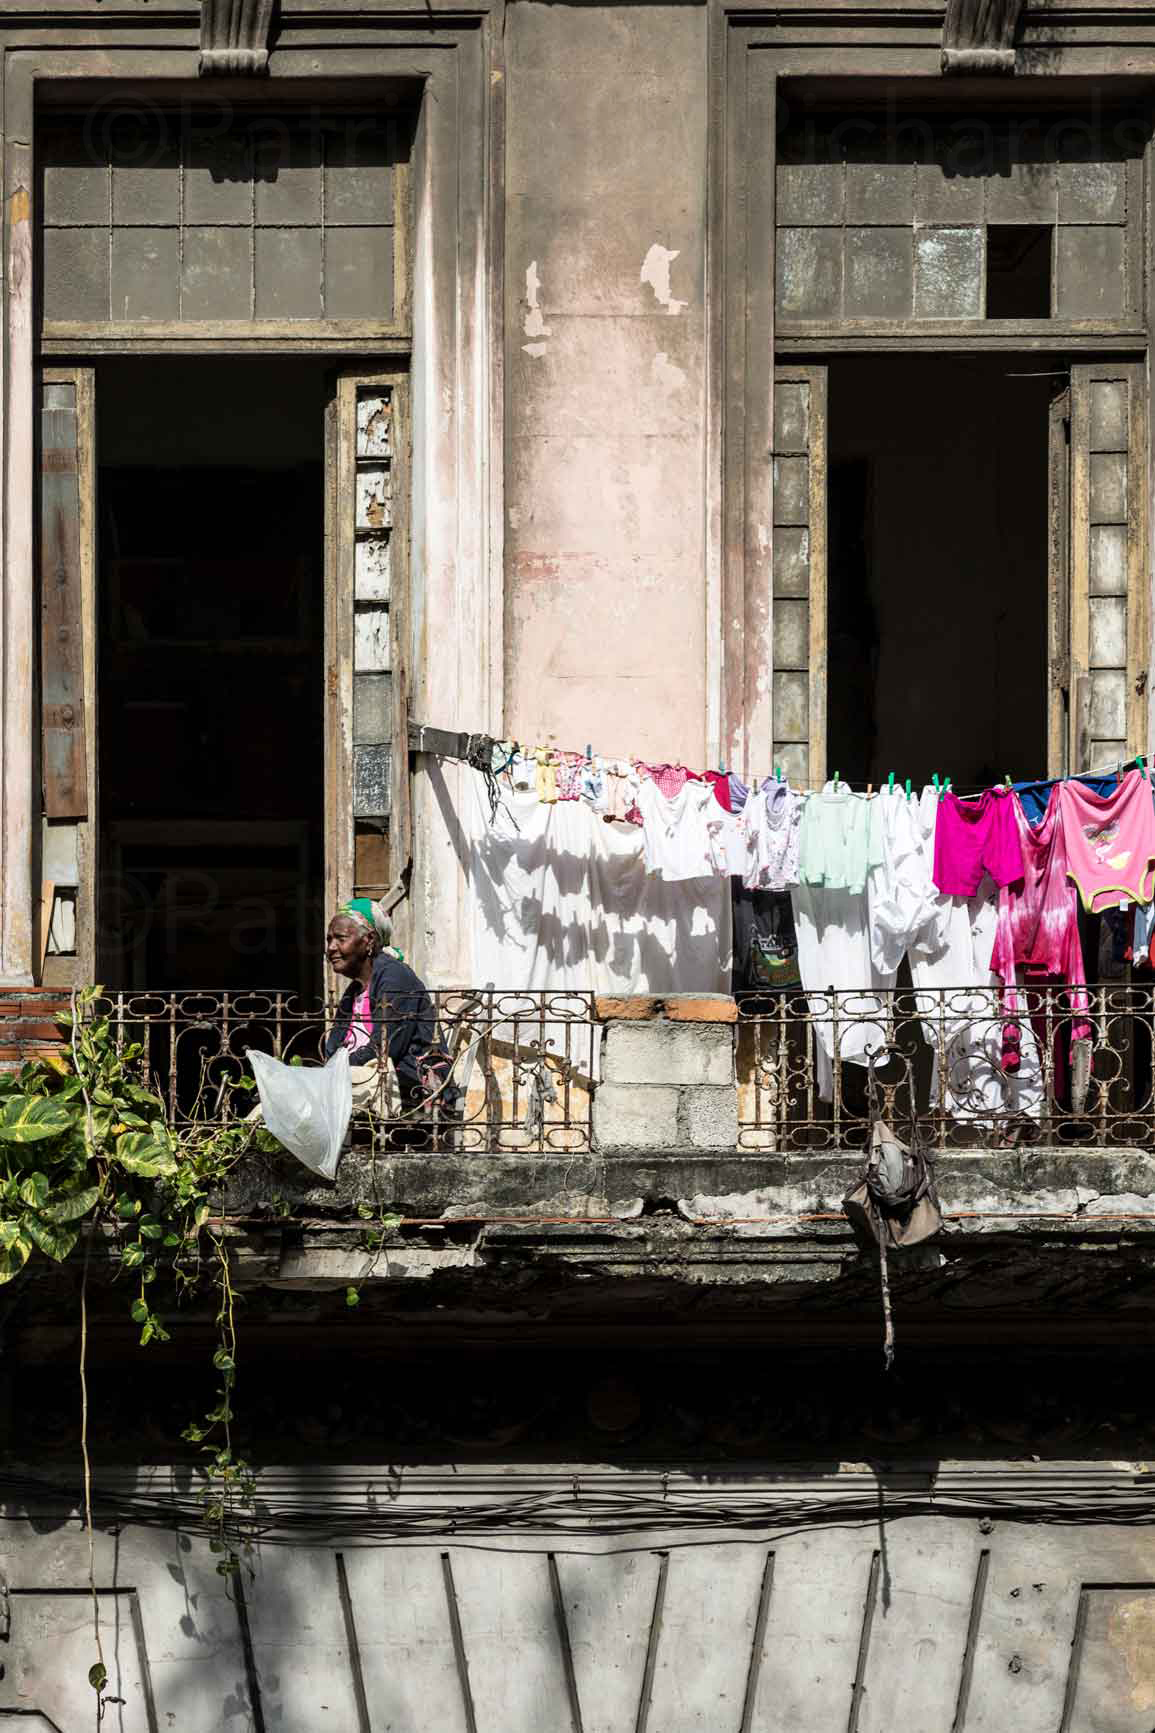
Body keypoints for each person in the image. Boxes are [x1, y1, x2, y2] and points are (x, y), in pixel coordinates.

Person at [324, 899, 458, 1144]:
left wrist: (338, 1069)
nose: (332, 947)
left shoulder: (395, 976)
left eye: (340, 938)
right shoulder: (354, 991)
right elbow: (332, 1047)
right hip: (362, 1084)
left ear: (369, 941)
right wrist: (333, 1070)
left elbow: (385, 1048)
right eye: (329, 939)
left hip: (410, 1089)